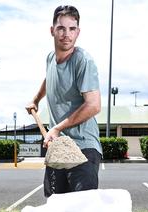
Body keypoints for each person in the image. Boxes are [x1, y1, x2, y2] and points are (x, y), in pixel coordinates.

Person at [26, 5, 102, 198]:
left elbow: (93, 105)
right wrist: (36, 99)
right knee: (55, 206)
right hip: (57, 147)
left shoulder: (83, 61)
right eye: (61, 28)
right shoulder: (50, 58)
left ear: (78, 32)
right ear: (52, 30)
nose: (66, 34)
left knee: (82, 209)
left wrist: (57, 128)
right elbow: (49, 78)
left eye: (71, 29)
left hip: (82, 148)